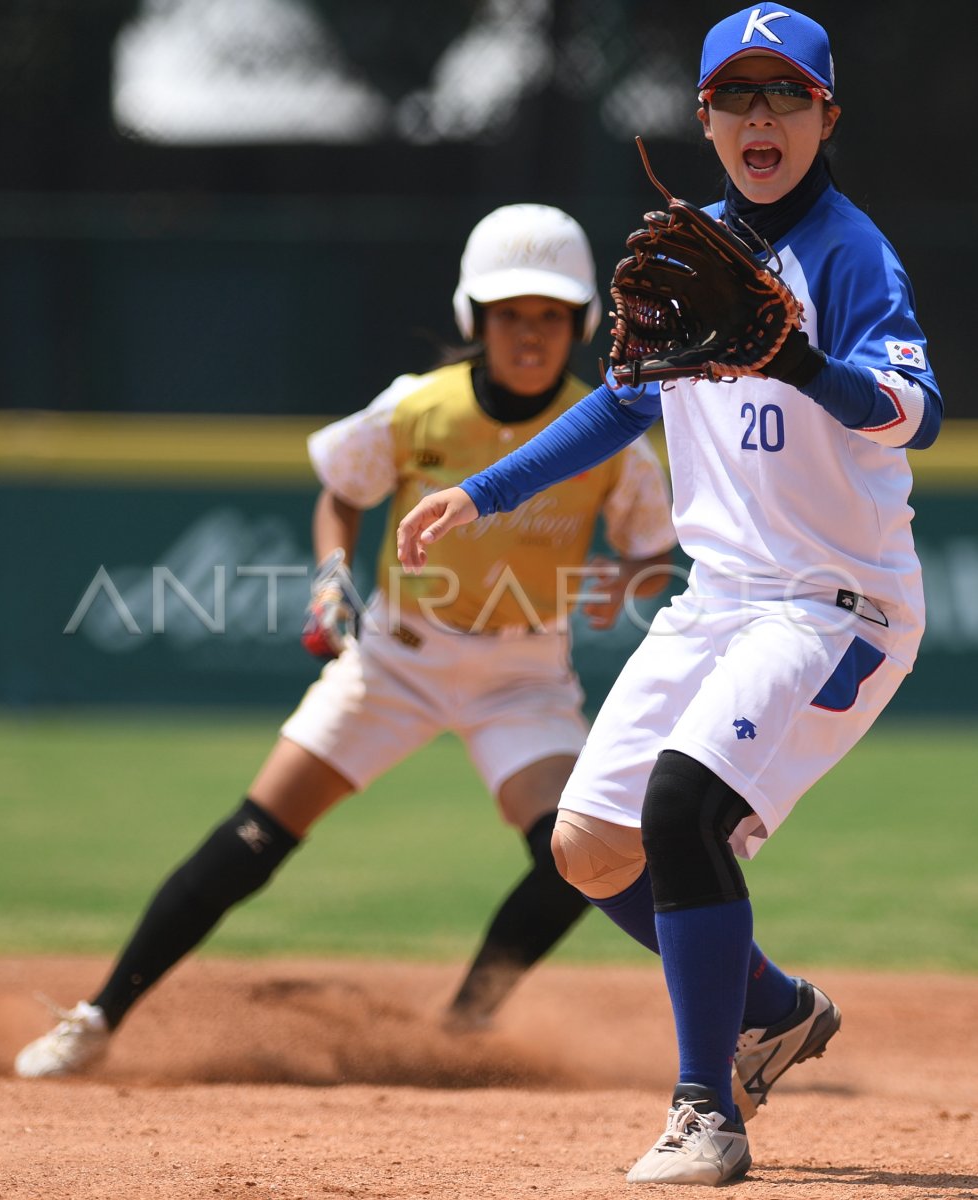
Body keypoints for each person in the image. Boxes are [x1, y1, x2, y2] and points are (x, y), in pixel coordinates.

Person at [397, 5, 942, 1187]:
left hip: (832, 605)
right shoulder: (689, 244)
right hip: (717, 601)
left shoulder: (848, 252)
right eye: (737, 97)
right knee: (589, 847)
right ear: (703, 118)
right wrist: (484, 491)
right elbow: (624, 401)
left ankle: (708, 1112)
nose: (761, 116)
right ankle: (775, 1009)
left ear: (824, 114)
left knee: (684, 808)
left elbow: (917, 410)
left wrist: (798, 361)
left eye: (785, 94)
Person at [15, 203, 676, 1079]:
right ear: (474, 318)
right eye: (511, 314)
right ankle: (98, 1017)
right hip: (396, 660)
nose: (530, 334)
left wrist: (624, 585)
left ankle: (464, 1023)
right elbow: (343, 487)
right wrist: (333, 574)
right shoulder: (417, 406)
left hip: (522, 675)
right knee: (253, 837)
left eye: (551, 316)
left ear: (583, 323)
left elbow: (652, 549)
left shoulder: (606, 430)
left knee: (576, 856)